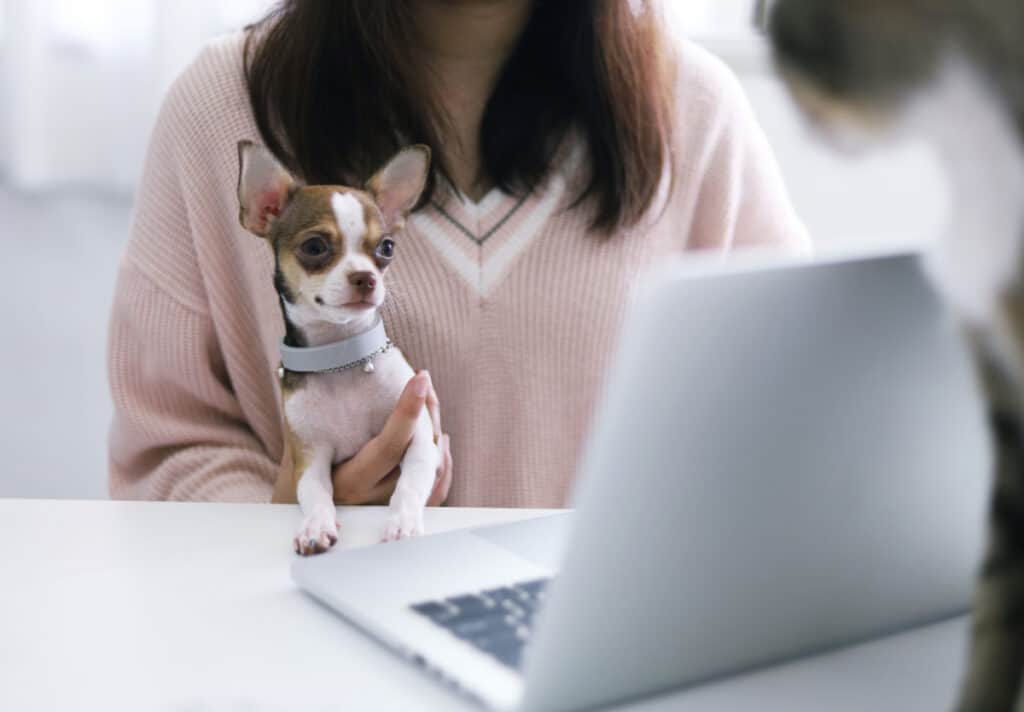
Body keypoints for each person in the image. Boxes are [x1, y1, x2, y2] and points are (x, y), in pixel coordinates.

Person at [107, 0, 810, 508]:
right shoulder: (219, 112)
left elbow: (800, 422)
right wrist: (289, 509)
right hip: (316, 669)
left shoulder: (696, 111)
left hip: (618, 661)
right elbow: (167, 450)